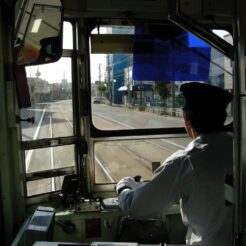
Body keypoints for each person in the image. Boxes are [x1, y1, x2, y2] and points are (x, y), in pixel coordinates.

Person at [116, 82, 233, 246]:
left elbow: (137, 207)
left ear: (186, 120)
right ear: (222, 118)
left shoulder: (187, 161)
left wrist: (124, 188)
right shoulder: (240, 149)